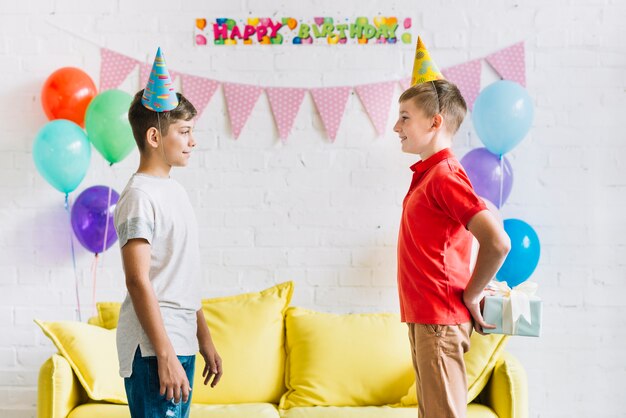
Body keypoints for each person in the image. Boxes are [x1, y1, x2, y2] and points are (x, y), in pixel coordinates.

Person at [393, 37, 511, 418]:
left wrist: (472, 294)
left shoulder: (443, 175)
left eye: (405, 116)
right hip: (427, 320)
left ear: (435, 121)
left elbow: (497, 241)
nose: (397, 126)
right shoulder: (429, 176)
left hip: (439, 322)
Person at [113, 48, 222, 418]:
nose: (193, 141)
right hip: (152, 349)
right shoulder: (139, 196)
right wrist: (164, 353)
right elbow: (137, 280)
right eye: (185, 132)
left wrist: (202, 336)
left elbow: (181, 275)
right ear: (155, 137)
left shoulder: (174, 191)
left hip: (180, 339)